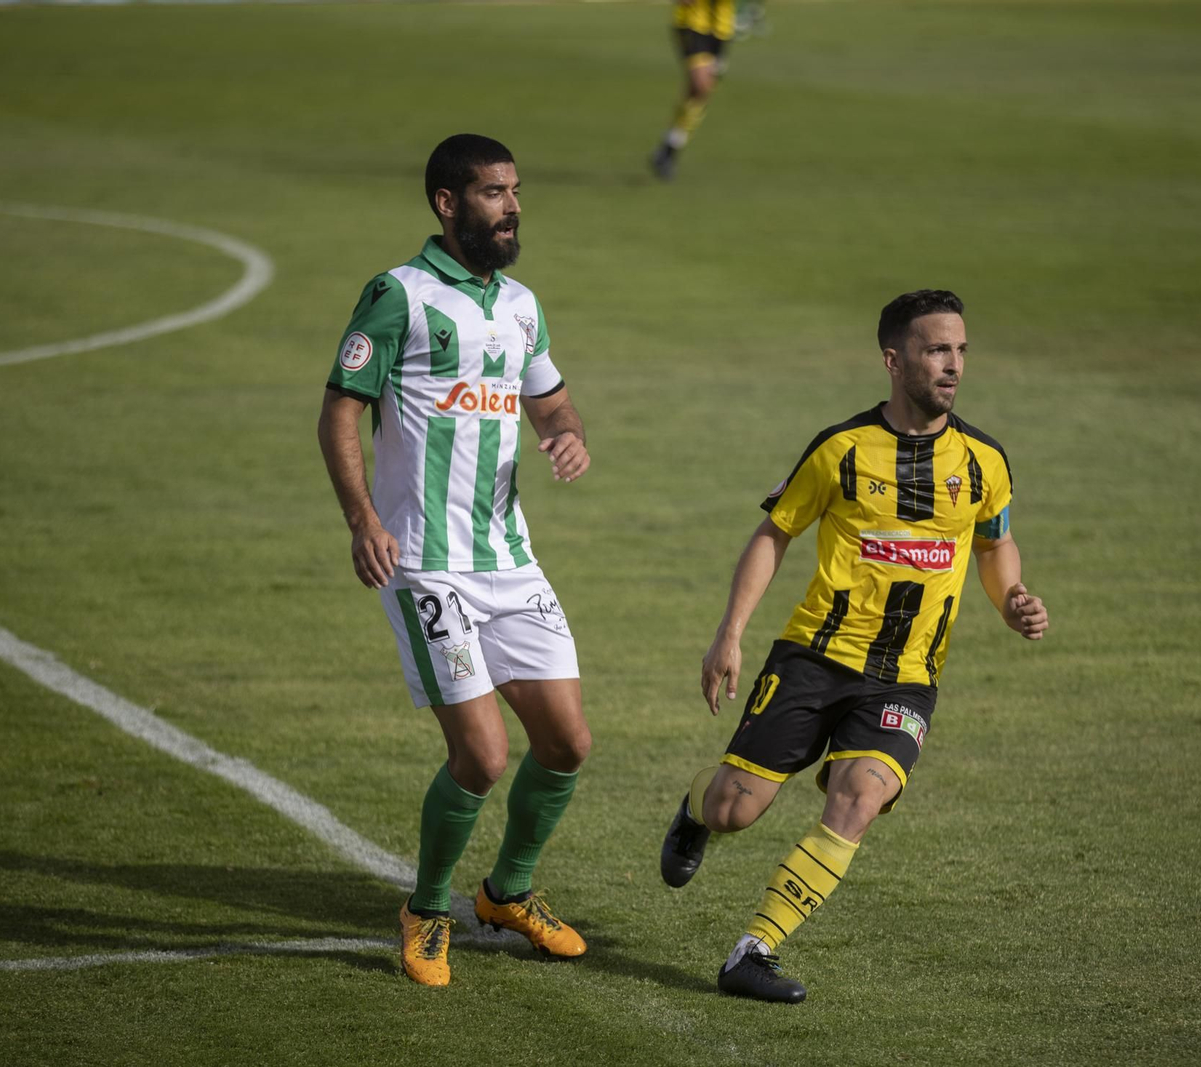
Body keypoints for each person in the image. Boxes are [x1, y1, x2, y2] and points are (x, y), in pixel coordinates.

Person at [659, 290, 1050, 1003]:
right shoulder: (841, 449)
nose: (954, 365)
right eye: (937, 350)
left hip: (905, 678)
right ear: (894, 360)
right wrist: (730, 634)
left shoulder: (984, 459)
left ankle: (753, 949)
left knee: (860, 796)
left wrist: (1013, 597)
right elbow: (774, 531)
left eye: (961, 350)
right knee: (735, 809)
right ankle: (693, 809)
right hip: (814, 659)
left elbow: (996, 543)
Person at [317, 134, 593, 988]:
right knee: (481, 755)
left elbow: (548, 401)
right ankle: (427, 907)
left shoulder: (520, 304)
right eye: (492, 193)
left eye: (515, 191)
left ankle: (506, 891)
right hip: (426, 563)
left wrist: (566, 435)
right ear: (446, 203)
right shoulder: (398, 295)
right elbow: (340, 410)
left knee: (567, 743)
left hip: (509, 559)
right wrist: (363, 519)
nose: (511, 206)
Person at [651, 0, 737, 180]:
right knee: (701, 85)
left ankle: (670, 146)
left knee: (699, 94)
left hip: (722, 27)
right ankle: (668, 149)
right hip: (692, 22)